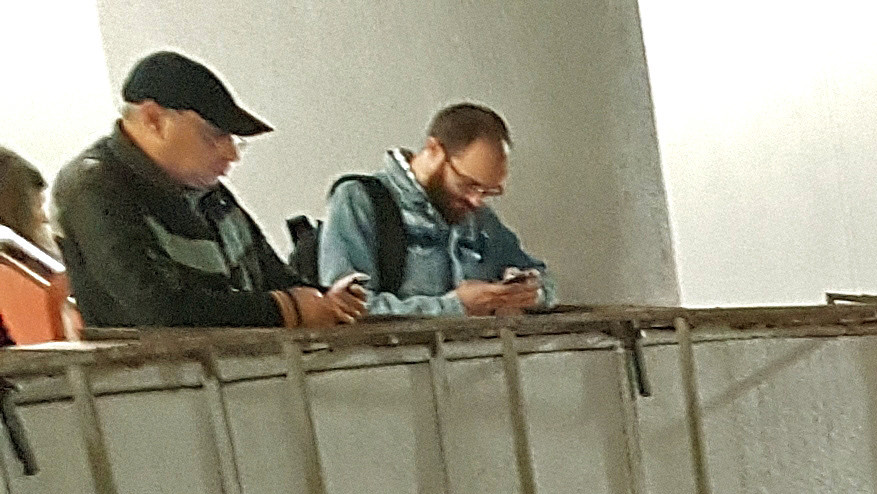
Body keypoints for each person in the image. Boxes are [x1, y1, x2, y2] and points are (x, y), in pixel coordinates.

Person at [56, 54, 366, 333]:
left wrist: (327, 299)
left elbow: (273, 276)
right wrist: (286, 309)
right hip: (152, 385)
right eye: (215, 135)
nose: (232, 153)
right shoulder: (93, 186)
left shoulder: (209, 193)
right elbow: (158, 307)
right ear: (154, 120)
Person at [317, 105, 544, 318]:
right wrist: (455, 307)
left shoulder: (476, 216)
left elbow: (541, 277)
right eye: (468, 184)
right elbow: (347, 309)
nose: (476, 201)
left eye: (488, 191)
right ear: (434, 150)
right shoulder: (359, 200)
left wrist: (528, 292)